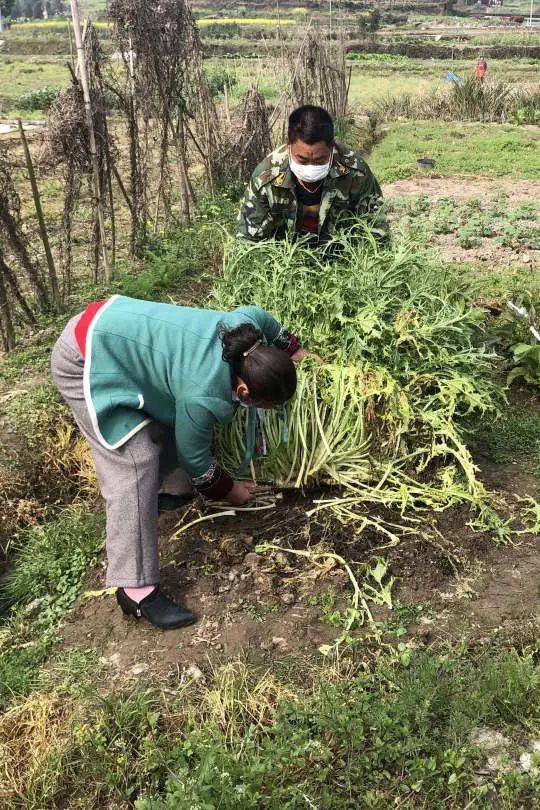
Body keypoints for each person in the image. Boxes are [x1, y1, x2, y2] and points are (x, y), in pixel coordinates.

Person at [51, 295, 311, 630]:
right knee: (133, 461)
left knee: (170, 417)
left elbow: (264, 317)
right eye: (266, 405)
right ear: (243, 391)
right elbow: (196, 460)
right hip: (85, 357)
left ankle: (168, 492)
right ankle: (135, 589)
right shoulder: (202, 395)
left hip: (117, 331)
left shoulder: (244, 328)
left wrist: (293, 350)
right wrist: (230, 490)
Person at [237, 104, 387, 245]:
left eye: (319, 160)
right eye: (302, 159)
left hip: (341, 253)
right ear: (288, 143)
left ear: (332, 146)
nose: (310, 167)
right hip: (284, 256)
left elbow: (376, 228)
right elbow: (248, 239)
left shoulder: (355, 172)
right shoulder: (267, 176)